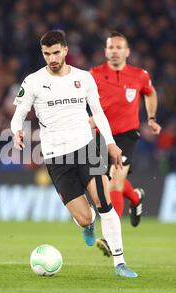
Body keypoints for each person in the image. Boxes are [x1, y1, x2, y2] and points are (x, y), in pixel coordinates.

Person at [11, 29, 138, 278]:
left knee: (105, 203)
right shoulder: (33, 81)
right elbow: (18, 117)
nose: (52, 58)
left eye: (56, 52)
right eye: (47, 54)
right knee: (83, 218)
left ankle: (120, 262)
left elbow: (99, 113)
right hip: (56, 158)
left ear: (66, 50)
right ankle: (88, 224)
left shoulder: (84, 78)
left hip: (86, 149)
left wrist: (110, 143)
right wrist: (17, 132)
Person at [89, 31, 161, 256]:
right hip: (101, 135)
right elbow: (83, 99)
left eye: (119, 47)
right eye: (110, 47)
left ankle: (112, 240)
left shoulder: (139, 75)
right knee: (103, 184)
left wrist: (151, 118)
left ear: (127, 52)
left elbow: (150, 93)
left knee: (114, 185)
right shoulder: (94, 74)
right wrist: (87, 119)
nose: (114, 51)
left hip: (127, 135)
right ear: (105, 51)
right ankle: (135, 196)